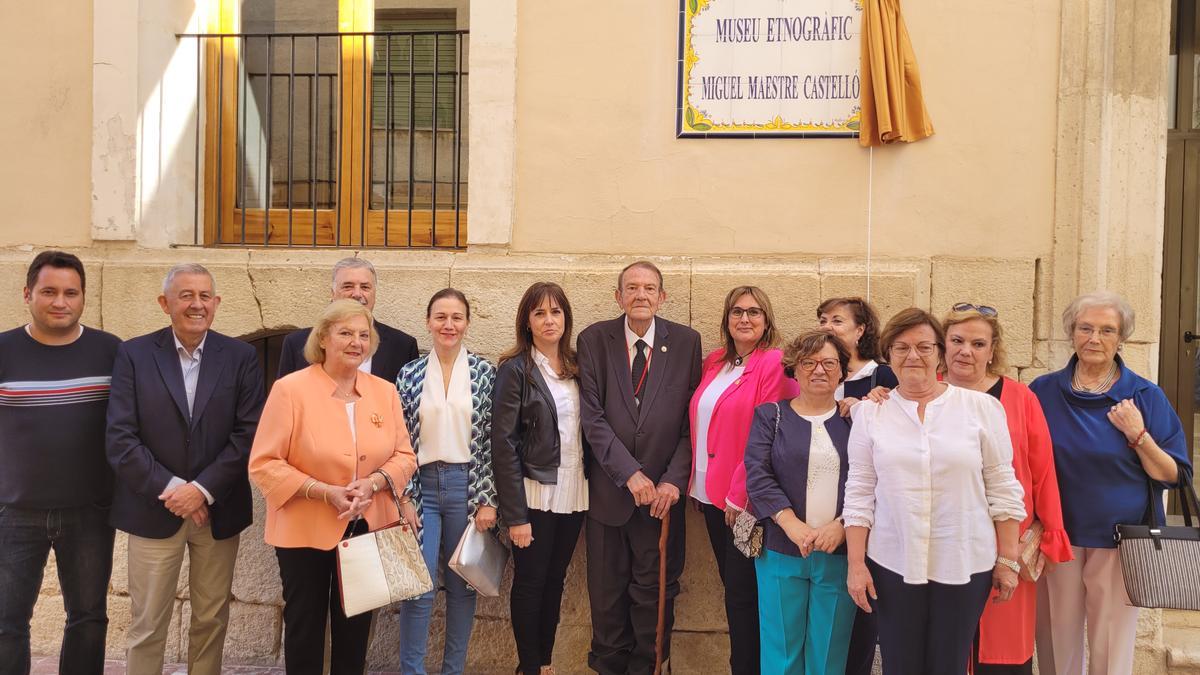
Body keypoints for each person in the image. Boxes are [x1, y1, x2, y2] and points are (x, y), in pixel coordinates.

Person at [842, 307, 1025, 675]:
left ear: (939, 352)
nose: (913, 356)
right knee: (900, 664)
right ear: (888, 354)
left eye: (924, 347)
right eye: (901, 347)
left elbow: (1003, 486)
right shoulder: (870, 414)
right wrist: (856, 564)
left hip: (964, 561)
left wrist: (1007, 559)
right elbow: (860, 493)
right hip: (893, 562)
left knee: (949, 664)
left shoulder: (982, 409)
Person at [106, 263, 264, 675]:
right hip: (153, 508)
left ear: (216, 303)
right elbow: (121, 438)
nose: (197, 304)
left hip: (218, 509)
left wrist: (203, 489)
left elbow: (248, 434)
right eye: (186, 296)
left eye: (205, 296)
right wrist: (177, 489)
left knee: (210, 620)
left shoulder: (241, 356)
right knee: (147, 623)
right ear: (165, 303)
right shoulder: (134, 354)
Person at [249, 299, 418, 675]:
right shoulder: (290, 390)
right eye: (345, 333)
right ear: (323, 338)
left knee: (355, 628)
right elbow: (264, 463)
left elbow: (405, 456)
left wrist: (374, 483)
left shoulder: (384, 392)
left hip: (365, 524)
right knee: (305, 626)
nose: (356, 342)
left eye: (363, 335)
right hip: (304, 527)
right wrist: (323, 491)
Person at [1030, 292, 1192, 675]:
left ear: (1121, 339)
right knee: (1056, 642)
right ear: (1072, 333)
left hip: (1120, 541)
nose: (1094, 338)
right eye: (1085, 328)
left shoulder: (1143, 396)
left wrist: (1138, 436)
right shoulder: (1043, 391)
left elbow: (1175, 475)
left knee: (1111, 646)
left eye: (1107, 330)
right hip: (1057, 539)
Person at [577, 260, 703, 675]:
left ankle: (649, 668)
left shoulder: (685, 342)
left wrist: (672, 482)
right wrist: (627, 472)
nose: (641, 295)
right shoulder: (594, 340)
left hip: (661, 502)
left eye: (650, 288)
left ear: (662, 297)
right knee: (607, 596)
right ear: (619, 296)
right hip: (610, 497)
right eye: (632, 288)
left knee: (655, 597)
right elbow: (592, 417)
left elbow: (691, 422)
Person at [0, 251, 122, 675]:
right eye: (49, 291)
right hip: (13, 512)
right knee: (6, 623)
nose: (60, 302)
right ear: (27, 294)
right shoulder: (3, 350)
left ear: (83, 297)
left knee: (88, 619)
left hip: (90, 510)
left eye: (71, 292)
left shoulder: (111, 352)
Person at [687, 285, 795, 675]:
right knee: (734, 593)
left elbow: (768, 436)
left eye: (753, 312)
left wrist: (740, 494)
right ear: (726, 319)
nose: (744, 319)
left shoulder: (773, 363)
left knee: (746, 598)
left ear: (766, 321)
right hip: (709, 496)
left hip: (743, 501)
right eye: (737, 312)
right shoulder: (716, 361)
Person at [396, 288, 497, 675]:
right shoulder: (409, 373)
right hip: (421, 488)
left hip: (466, 487)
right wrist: (402, 495)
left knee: (462, 586)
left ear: (467, 323)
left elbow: (491, 442)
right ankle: (412, 670)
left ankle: (453, 670)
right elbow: (399, 439)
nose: (448, 325)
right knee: (417, 586)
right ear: (428, 322)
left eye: (456, 317)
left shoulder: (486, 373)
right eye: (441, 317)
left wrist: (489, 499)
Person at [744, 330, 858, 675]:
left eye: (828, 363)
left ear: (842, 372)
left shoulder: (858, 419)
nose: (818, 370)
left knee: (828, 654)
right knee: (781, 652)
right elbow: (758, 473)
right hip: (782, 548)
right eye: (809, 362)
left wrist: (841, 526)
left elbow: (871, 480)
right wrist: (791, 524)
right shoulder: (770, 416)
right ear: (794, 368)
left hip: (839, 551)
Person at [492, 282, 588, 675]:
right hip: (534, 493)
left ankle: (544, 664)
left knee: (555, 579)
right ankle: (528, 666)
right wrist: (515, 516)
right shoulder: (516, 370)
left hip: (574, 489)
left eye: (556, 312)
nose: (549, 321)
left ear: (566, 318)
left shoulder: (579, 367)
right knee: (531, 581)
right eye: (540, 314)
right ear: (527, 322)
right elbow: (503, 443)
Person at [817, 296, 895, 675]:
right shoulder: (815, 373)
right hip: (817, 510)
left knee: (861, 616)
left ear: (861, 330)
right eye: (823, 320)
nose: (827, 326)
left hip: (864, 511)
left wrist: (869, 404)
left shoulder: (883, 377)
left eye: (837, 320)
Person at [277, 257, 419, 383]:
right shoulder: (295, 343)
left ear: (374, 294)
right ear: (332, 293)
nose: (357, 294)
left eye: (365, 287)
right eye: (348, 286)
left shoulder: (403, 346)